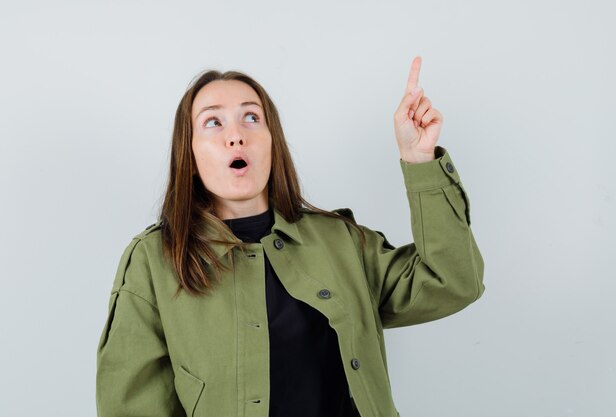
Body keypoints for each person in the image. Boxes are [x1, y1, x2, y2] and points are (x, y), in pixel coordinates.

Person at [95, 56, 485, 417]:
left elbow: (453, 282)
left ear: (272, 143)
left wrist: (420, 161)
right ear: (191, 156)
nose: (236, 136)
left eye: (251, 118)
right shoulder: (154, 261)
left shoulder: (340, 242)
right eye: (213, 122)